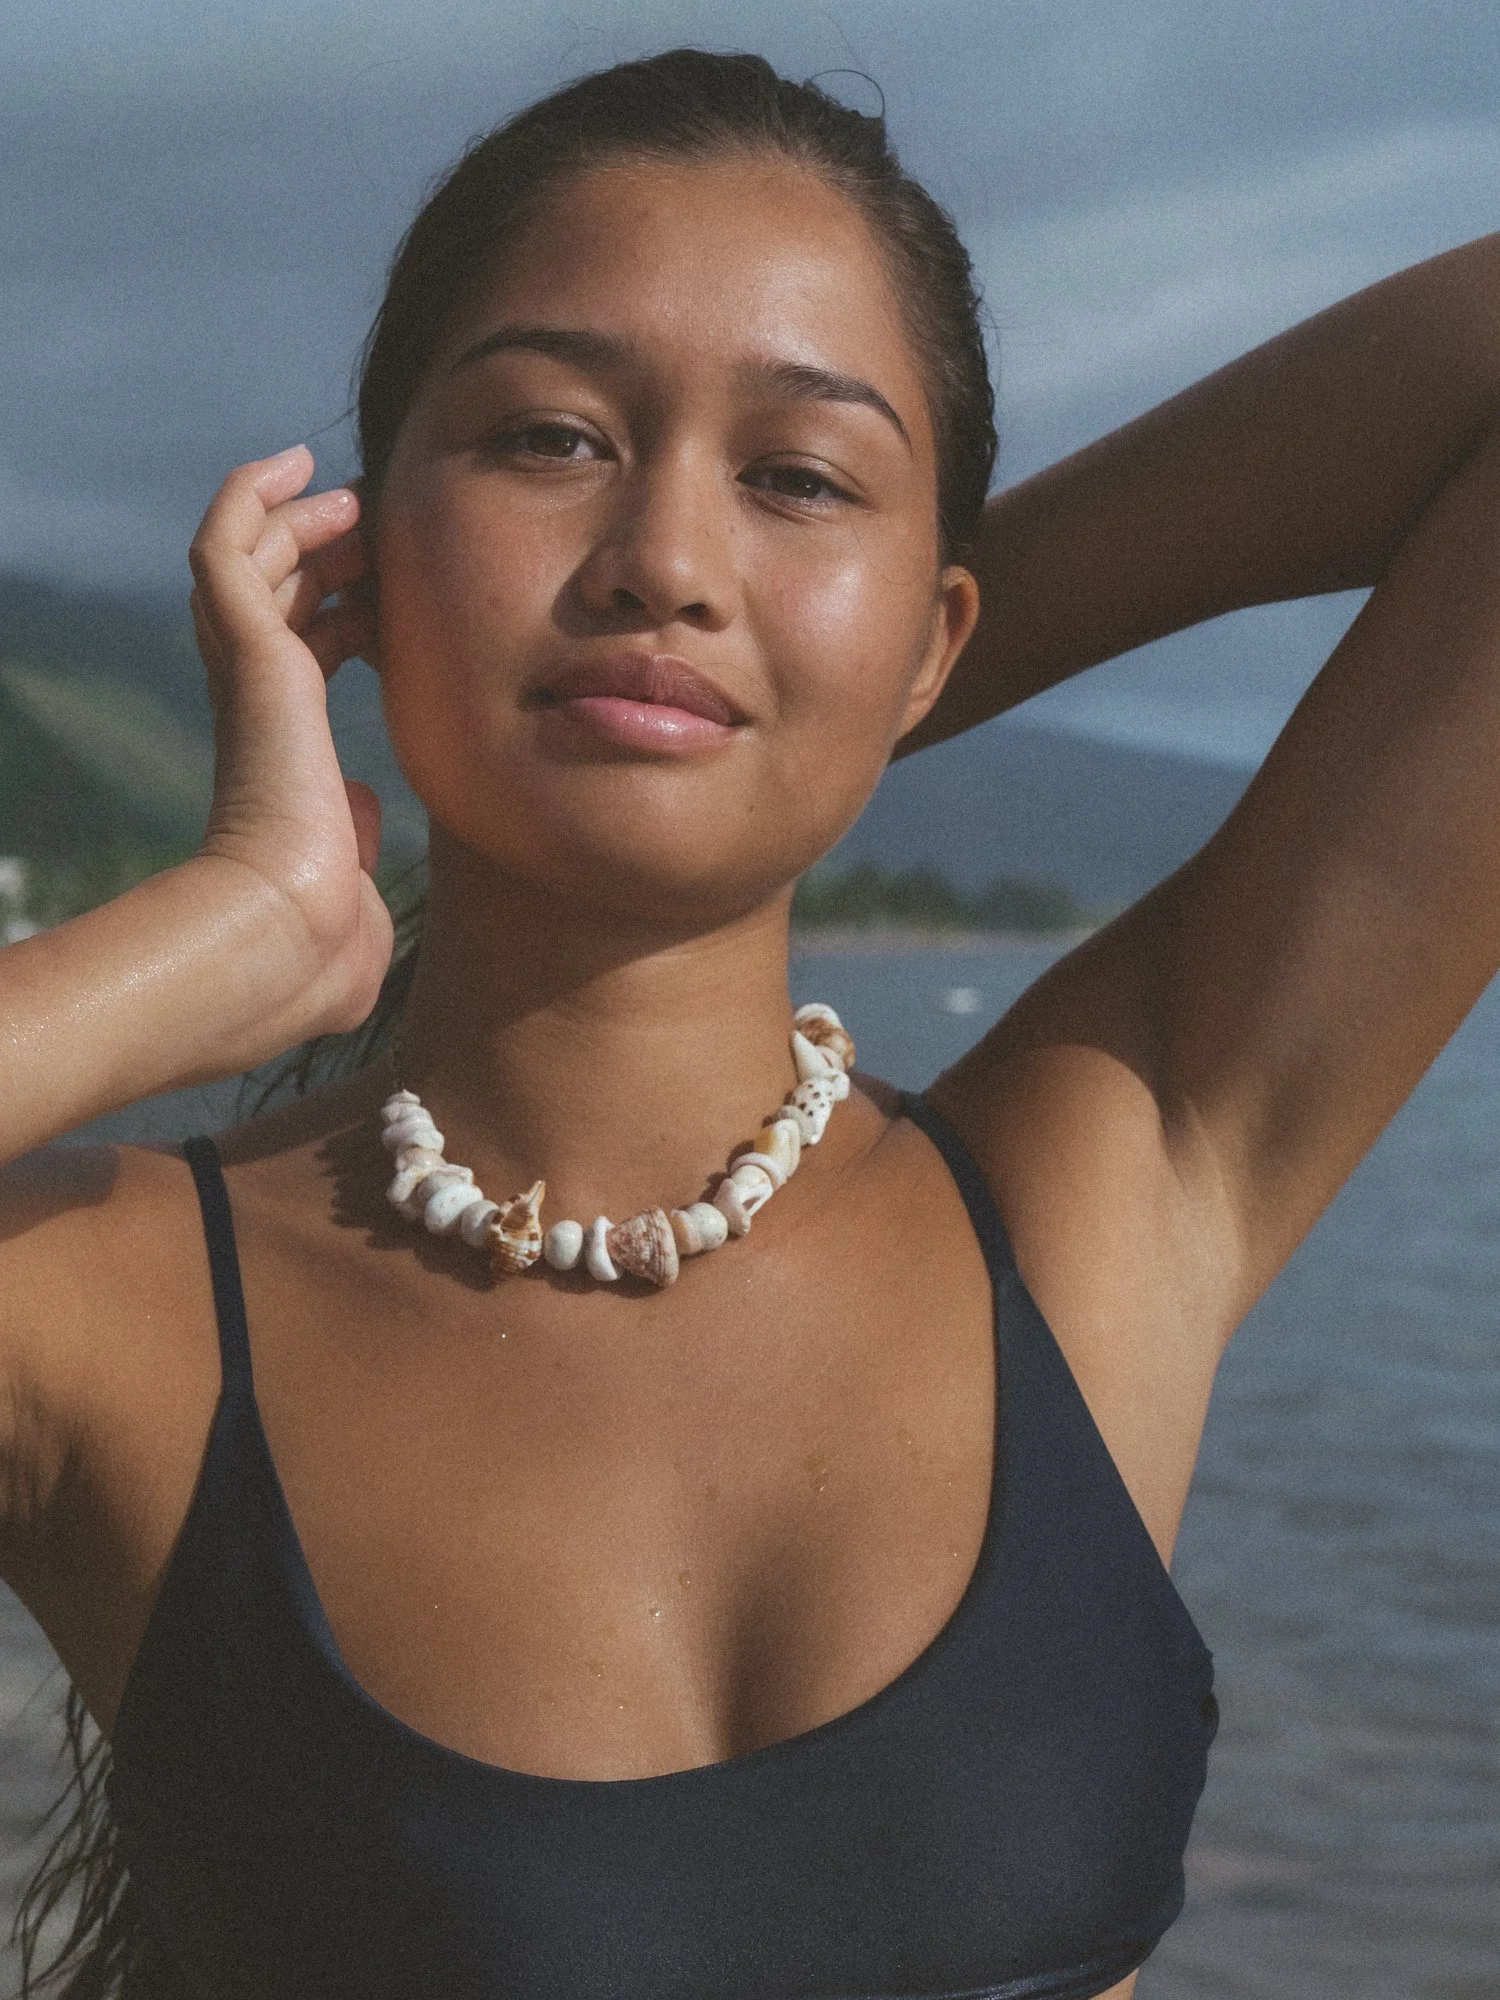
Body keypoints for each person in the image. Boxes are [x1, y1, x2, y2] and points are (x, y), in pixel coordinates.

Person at [2, 44, 1497, 2000]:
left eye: (796, 477)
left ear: (934, 622)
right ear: (365, 555)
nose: (665, 565)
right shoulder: (106, 1311)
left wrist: (856, 675)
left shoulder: (1098, 1191)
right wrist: (233, 927)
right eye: (550, 438)